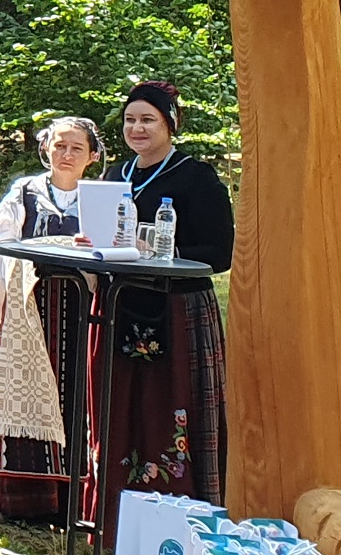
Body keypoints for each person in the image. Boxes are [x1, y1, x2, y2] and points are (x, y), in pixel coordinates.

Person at [93, 80, 234, 541]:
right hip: (121, 308)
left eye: (148, 119)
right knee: (124, 412)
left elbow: (220, 252)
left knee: (172, 413)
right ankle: (119, 527)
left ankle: (184, 529)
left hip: (178, 315)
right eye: (130, 119)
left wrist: (156, 249)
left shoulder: (197, 177)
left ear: (170, 124)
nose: (137, 128)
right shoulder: (115, 175)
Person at [0, 115, 104, 520]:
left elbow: (115, 249)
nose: (66, 155)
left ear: (93, 155)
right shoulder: (25, 191)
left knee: (78, 395)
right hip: (31, 309)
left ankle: (72, 502)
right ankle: (26, 498)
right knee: (28, 394)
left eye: (76, 148)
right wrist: (23, 283)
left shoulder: (101, 198)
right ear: (46, 148)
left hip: (83, 310)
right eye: (59, 145)